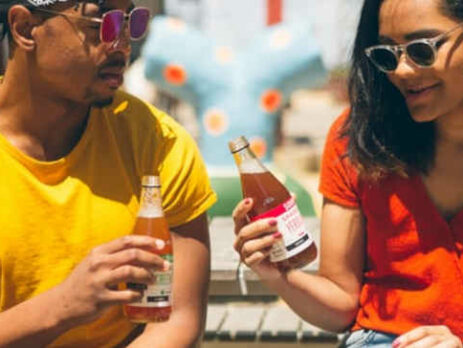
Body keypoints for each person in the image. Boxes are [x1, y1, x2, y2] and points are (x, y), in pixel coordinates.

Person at [233, 0, 463, 347]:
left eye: (421, 49)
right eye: (387, 54)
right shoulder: (357, 140)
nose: (401, 70)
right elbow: (340, 306)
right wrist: (277, 274)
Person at [0, 0, 216, 347]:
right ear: (25, 28)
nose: (122, 44)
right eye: (100, 21)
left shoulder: (158, 142)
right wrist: (60, 307)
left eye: (131, 21)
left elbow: (177, 319)